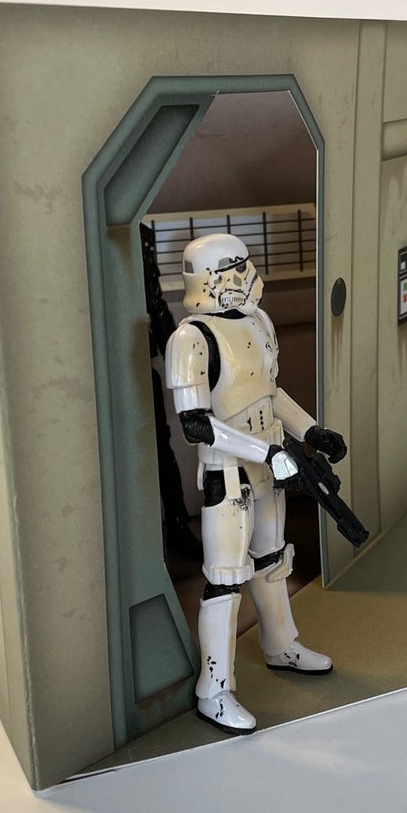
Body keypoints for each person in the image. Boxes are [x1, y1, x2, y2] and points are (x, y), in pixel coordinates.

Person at [164, 232, 347, 733]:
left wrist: (310, 431)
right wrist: (267, 451)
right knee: (226, 580)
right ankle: (215, 689)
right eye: (233, 270)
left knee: (272, 561)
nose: (245, 278)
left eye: (244, 266)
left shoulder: (258, 320)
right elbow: (196, 424)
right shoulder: (190, 339)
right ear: (210, 280)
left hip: (272, 466)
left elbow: (269, 391)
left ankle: (281, 644)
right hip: (228, 475)